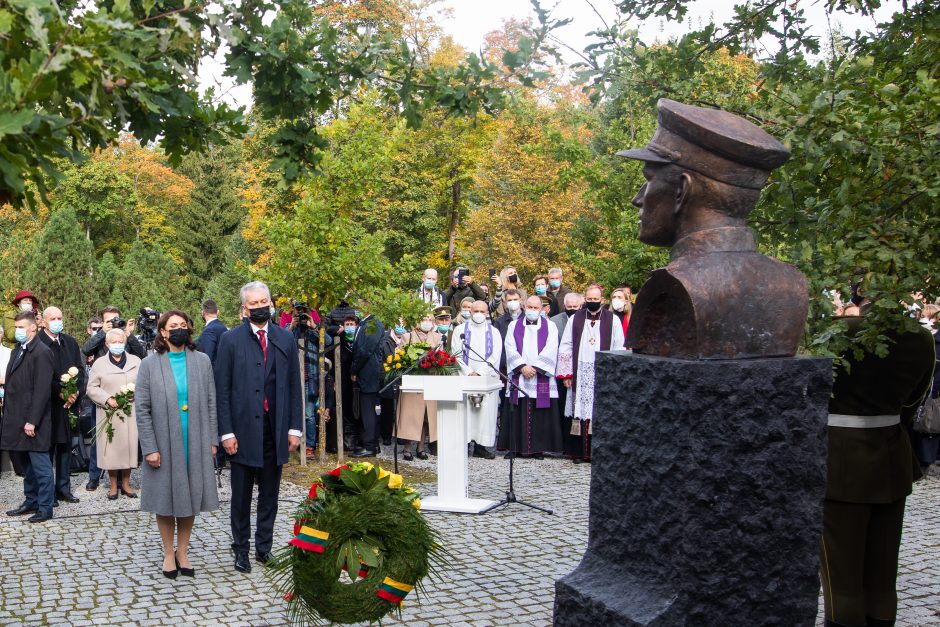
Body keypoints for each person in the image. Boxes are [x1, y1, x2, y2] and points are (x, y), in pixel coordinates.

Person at [820, 301, 934, 626]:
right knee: (882, 578)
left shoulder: (837, 331)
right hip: (890, 457)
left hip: (840, 460)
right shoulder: (919, 337)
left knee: (842, 582)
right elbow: (914, 399)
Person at [215, 281, 302, 573]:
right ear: (244, 308)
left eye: (263, 301)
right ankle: (240, 549)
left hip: (274, 430)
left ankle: (264, 548)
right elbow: (222, 390)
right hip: (240, 433)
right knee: (240, 497)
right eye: (253, 303)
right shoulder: (230, 340)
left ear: (271, 303)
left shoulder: (284, 338)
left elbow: (293, 386)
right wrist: (225, 432)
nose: (260, 307)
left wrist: (295, 428)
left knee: (269, 495)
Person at [135, 311, 219, 579]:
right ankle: (168, 552)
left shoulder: (202, 361)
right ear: (162, 332)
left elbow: (210, 403)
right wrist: (149, 447)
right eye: (173, 326)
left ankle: (183, 551)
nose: (179, 329)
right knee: (165, 498)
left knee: (191, 496)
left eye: (183, 325)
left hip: (195, 438)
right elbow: (142, 409)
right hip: (162, 441)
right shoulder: (150, 364)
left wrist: (212, 439)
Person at [557, 285, 626, 463]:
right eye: (589, 299)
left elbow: (620, 348)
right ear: (585, 299)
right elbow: (565, 345)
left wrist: (614, 374)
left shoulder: (613, 320)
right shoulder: (576, 319)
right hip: (579, 371)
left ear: (602, 300)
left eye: (596, 300)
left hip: (602, 373)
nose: (592, 302)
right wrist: (567, 374)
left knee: (599, 411)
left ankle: (598, 453)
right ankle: (578, 453)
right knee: (578, 411)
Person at [1, 311, 55, 522]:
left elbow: (42, 390)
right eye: (16, 327)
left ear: (33, 327)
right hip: (17, 419)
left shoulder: (41, 352)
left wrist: (32, 420)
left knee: (41, 466)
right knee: (28, 466)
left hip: (34, 422)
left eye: (22, 327)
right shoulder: (18, 350)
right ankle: (30, 500)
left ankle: (45, 507)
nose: (18, 331)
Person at [497, 296, 563, 459]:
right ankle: (514, 448)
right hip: (520, 374)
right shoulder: (514, 325)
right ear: (524, 307)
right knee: (516, 411)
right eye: (529, 307)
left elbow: (551, 348)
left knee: (539, 412)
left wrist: (536, 368)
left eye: (535, 308)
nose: (532, 311)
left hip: (540, 376)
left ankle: (537, 449)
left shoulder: (551, 326)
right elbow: (510, 347)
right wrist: (522, 367)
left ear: (541, 309)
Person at [37, 306, 85, 505]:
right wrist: (61, 391)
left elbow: (81, 369)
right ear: (44, 322)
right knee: (47, 448)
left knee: (65, 446)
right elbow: (41, 375)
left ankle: (63, 488)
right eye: (53, 318)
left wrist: (74, 392)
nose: (57, 321)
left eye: (60, 317)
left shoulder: (70, 342)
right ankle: (48, 492)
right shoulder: (38, 342)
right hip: (49, 404)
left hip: (69, 405)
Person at [86, 329, 141, 500]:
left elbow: (145, 383)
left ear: (125, 342)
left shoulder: (136, 361)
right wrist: (107, 398)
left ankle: (126, 483)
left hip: (130, 412)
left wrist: (136, 393)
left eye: (120, 341)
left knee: (129, 449)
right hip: (108, 412)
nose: (117, 345)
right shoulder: (99, 363)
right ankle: (113, 486)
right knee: (111, 450)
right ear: (107, 344)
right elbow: (91, 388)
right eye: (114, 342)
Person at [451, 300, 502, 459]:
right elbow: (456, 354)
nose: (479, 314)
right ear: (470, 312)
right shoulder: (460, 330)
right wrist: (468, 372)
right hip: (465, 377)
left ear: (487, 313)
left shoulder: (494, 332)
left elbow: (495, 356)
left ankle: (482, 446)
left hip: (485, 378)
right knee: (464, 412)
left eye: (482, 311)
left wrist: (479, 372)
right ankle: (464, 445)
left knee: (485, 413)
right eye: (476, 311)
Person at [396, 315, 441, 461]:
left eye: (430, 320)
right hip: (413, 381)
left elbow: (443, 357)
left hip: (431, 381)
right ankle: (407, 448)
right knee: (410, 415)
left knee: (426, 416)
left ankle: (421, 447)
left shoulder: (438, 337)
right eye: (424, 319)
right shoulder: (407, 336)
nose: (426, 322)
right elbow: (399, 356)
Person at [349, 311, 387, 458]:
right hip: (366, 373)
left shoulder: (373, 323)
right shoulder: (365, 323)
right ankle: (370, 443)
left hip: (369, 373)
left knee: (368, 410)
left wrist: (354, 369)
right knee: (367, 409)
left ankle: (370, 445)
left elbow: (366, 350)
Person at [81, 317, 105, 491]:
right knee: (96, 439)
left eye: (101, 327)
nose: (98, 330)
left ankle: (119, 480)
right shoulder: (93, 342)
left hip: (116, 395)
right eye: (95, 328)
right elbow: (86, 349)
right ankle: (94, 476)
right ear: (89, 330)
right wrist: (102, 333)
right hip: (91, 397)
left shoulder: (118, 341)